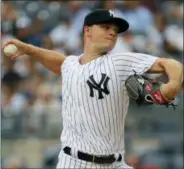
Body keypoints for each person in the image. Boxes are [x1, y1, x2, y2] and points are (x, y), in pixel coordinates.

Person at [2, 9, 183, 169]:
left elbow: (171, 64)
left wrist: (172, 86)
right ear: (87, 30)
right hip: (72, 162)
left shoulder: (119, 62)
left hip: (115, 163)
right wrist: (27, 49)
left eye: (115, 30)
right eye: (106, 27)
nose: (112, 32)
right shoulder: (70, 65)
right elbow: (59, 61)